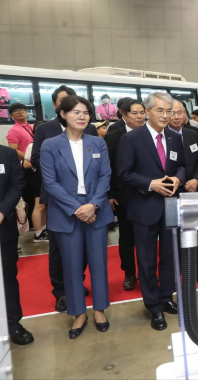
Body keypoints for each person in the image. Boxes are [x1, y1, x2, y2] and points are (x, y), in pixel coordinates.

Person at [41, 95, 115, 338]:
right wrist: (78, 209)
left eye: (86, 112)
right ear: (63, 114)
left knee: (98, 263)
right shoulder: (50, 145)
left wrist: (93, 205)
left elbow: (105, 176)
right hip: (67, 214)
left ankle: (100, 310)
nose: (82, 117)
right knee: (71, 266)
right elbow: (50, 182)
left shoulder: (97, 142)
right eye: (76, 112)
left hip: (96, 211)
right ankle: (78, 313)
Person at [118, 91, 186, 331]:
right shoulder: (131, 139)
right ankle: (153, 306)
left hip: (170, 205)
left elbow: (182, 166)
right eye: (160, 111)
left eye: (169, 111)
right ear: (147, 111)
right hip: (144, 206)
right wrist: (150, 184)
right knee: (146, 261)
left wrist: (178, 178)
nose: (166, 115)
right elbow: (124, 173)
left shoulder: (175, 137)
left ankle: (166, 296)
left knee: (170, 256)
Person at [31, 85, 98, 313]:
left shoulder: (90, 129)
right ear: (57, 107)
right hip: (58, 197)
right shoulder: (46, 129)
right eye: (64, 101)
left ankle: (76, 283)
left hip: (88, 199)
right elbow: (37, 158)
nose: (75, 109)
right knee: (59, 249)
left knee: (84, 247)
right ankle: (61, 291)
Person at [104, 99, 146, 290]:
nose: (139, 117)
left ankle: (146, 272)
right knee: (127, 237)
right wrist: (110, 193)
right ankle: (129, 273)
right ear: (124, 114)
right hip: (124, 195)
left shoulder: (150, 133)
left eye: (142, 113)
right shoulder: (114, 137)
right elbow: (108, 167)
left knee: (147, 237)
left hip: (148, 193)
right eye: (134, 113)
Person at [168, 100, 198, 284]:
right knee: (173, 235)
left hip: (194, 190)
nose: (177, 116)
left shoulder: (193, 134)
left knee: (196, 233)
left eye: (180, 112)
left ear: (186, 115)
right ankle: (175, 273)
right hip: (171, 193)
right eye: (172, 112)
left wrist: (196, 180)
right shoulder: (163, 137)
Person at [0, 143, 33, 345]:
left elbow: (17, 184)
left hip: (3, 227)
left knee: (8, 276)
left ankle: (12, 323)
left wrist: (2, 211)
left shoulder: (7, 154)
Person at [7, 103, 35, 231]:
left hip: (35, 165)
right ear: (11, 116)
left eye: (22, 109)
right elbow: (13, 150)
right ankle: (31, 224)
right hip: (24, 167)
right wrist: (28, 158)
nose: (20, 112)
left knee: (36, 195)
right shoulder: (14, 130)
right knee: (29, 196)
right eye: (16, 111)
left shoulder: (32, 127)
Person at [22, 121, 47, 242]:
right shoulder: (32, 145)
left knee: (44, 206)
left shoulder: (49, 143)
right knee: (39, 206)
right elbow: (26, 164)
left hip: (46, 177)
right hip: (38, 178)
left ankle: (44, 229)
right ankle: (38, 233)